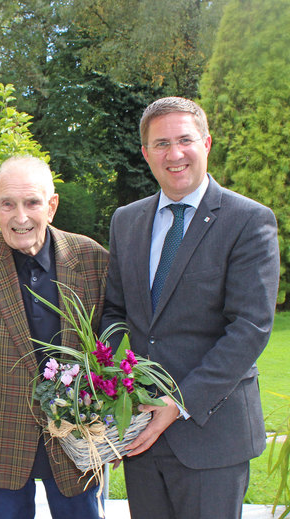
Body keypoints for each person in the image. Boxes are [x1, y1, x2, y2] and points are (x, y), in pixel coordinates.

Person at [101, 97, 280, 518]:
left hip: (210, 434)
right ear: (145, 154)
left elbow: (250, 329)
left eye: (185, 140)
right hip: (142, 431)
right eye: (161, 144)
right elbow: (113, 312)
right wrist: (103, 384)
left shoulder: (248, 221)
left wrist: (177, 403)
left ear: (207, 143)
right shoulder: (126, 221)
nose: (174, 153)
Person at [0, 155, 109, 519]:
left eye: (32, 202)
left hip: (77, 436)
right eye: (8, 204)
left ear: (51, 205)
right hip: (1, 435)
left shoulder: (93, 261)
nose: (20, 217)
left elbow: (114, 340)